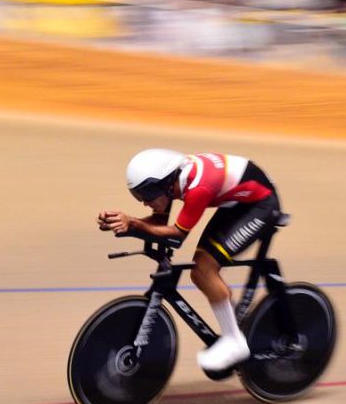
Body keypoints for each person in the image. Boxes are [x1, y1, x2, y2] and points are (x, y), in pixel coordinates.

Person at [97, 149, 282, 372]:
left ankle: (235, 341)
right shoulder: (174, 181)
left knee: (203, 269)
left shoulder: (198, 187)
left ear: (166, 183)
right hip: (236, 202)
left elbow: (176, 237)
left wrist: (134, 225)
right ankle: (233, 326)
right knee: (201, 266)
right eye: (139, 196)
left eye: (147, 195)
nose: (145, 203)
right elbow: (158, 221)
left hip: (261, 205)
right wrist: (124, 222)